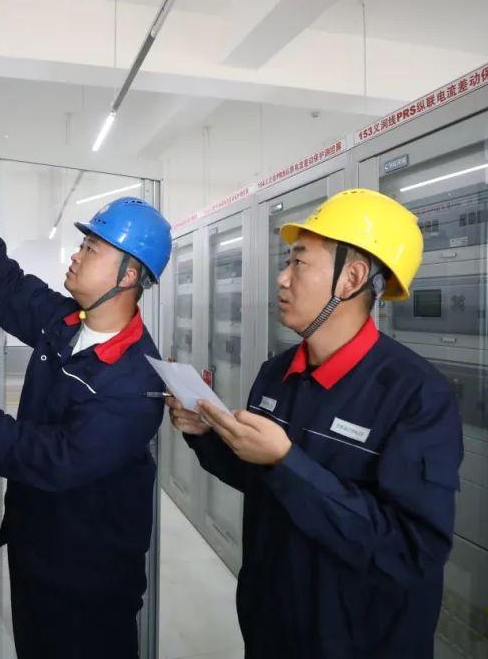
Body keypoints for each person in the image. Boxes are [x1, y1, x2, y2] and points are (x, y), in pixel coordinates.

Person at [167, 189, 462, 658]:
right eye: (287, 263)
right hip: (272, 625)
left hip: (359, 643)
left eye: (299, 263)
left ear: (352, 277)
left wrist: (286, 462)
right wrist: (208, 436)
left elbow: (411, 550)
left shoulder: (416, 396)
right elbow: (260, 480)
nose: (282, 278)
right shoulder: (277, 374)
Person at [0, 157, 170, 658]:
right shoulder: (66, 323)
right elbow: (5, 286)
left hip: (89, 581)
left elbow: (57, 458)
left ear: (130, 274)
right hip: (38, 551)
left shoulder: (135, 381)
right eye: (82, 245)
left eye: (91, 249)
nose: (76, 256)